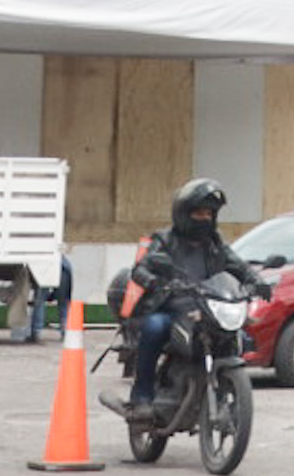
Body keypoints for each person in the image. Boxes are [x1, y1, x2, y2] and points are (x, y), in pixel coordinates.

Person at [102, 177, 252, 424]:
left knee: (241, 336)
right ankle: (142, 398)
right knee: (154, 327)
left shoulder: (215, 244)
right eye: (199, 212)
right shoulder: (164, 240)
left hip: (205, 308)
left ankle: (222, 391)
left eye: (209, 213)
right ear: (184, 213)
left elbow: (239, 266)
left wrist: (257, 282)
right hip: (172, 307)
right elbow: (141, 268)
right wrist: (153, 280)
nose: (204, 218)